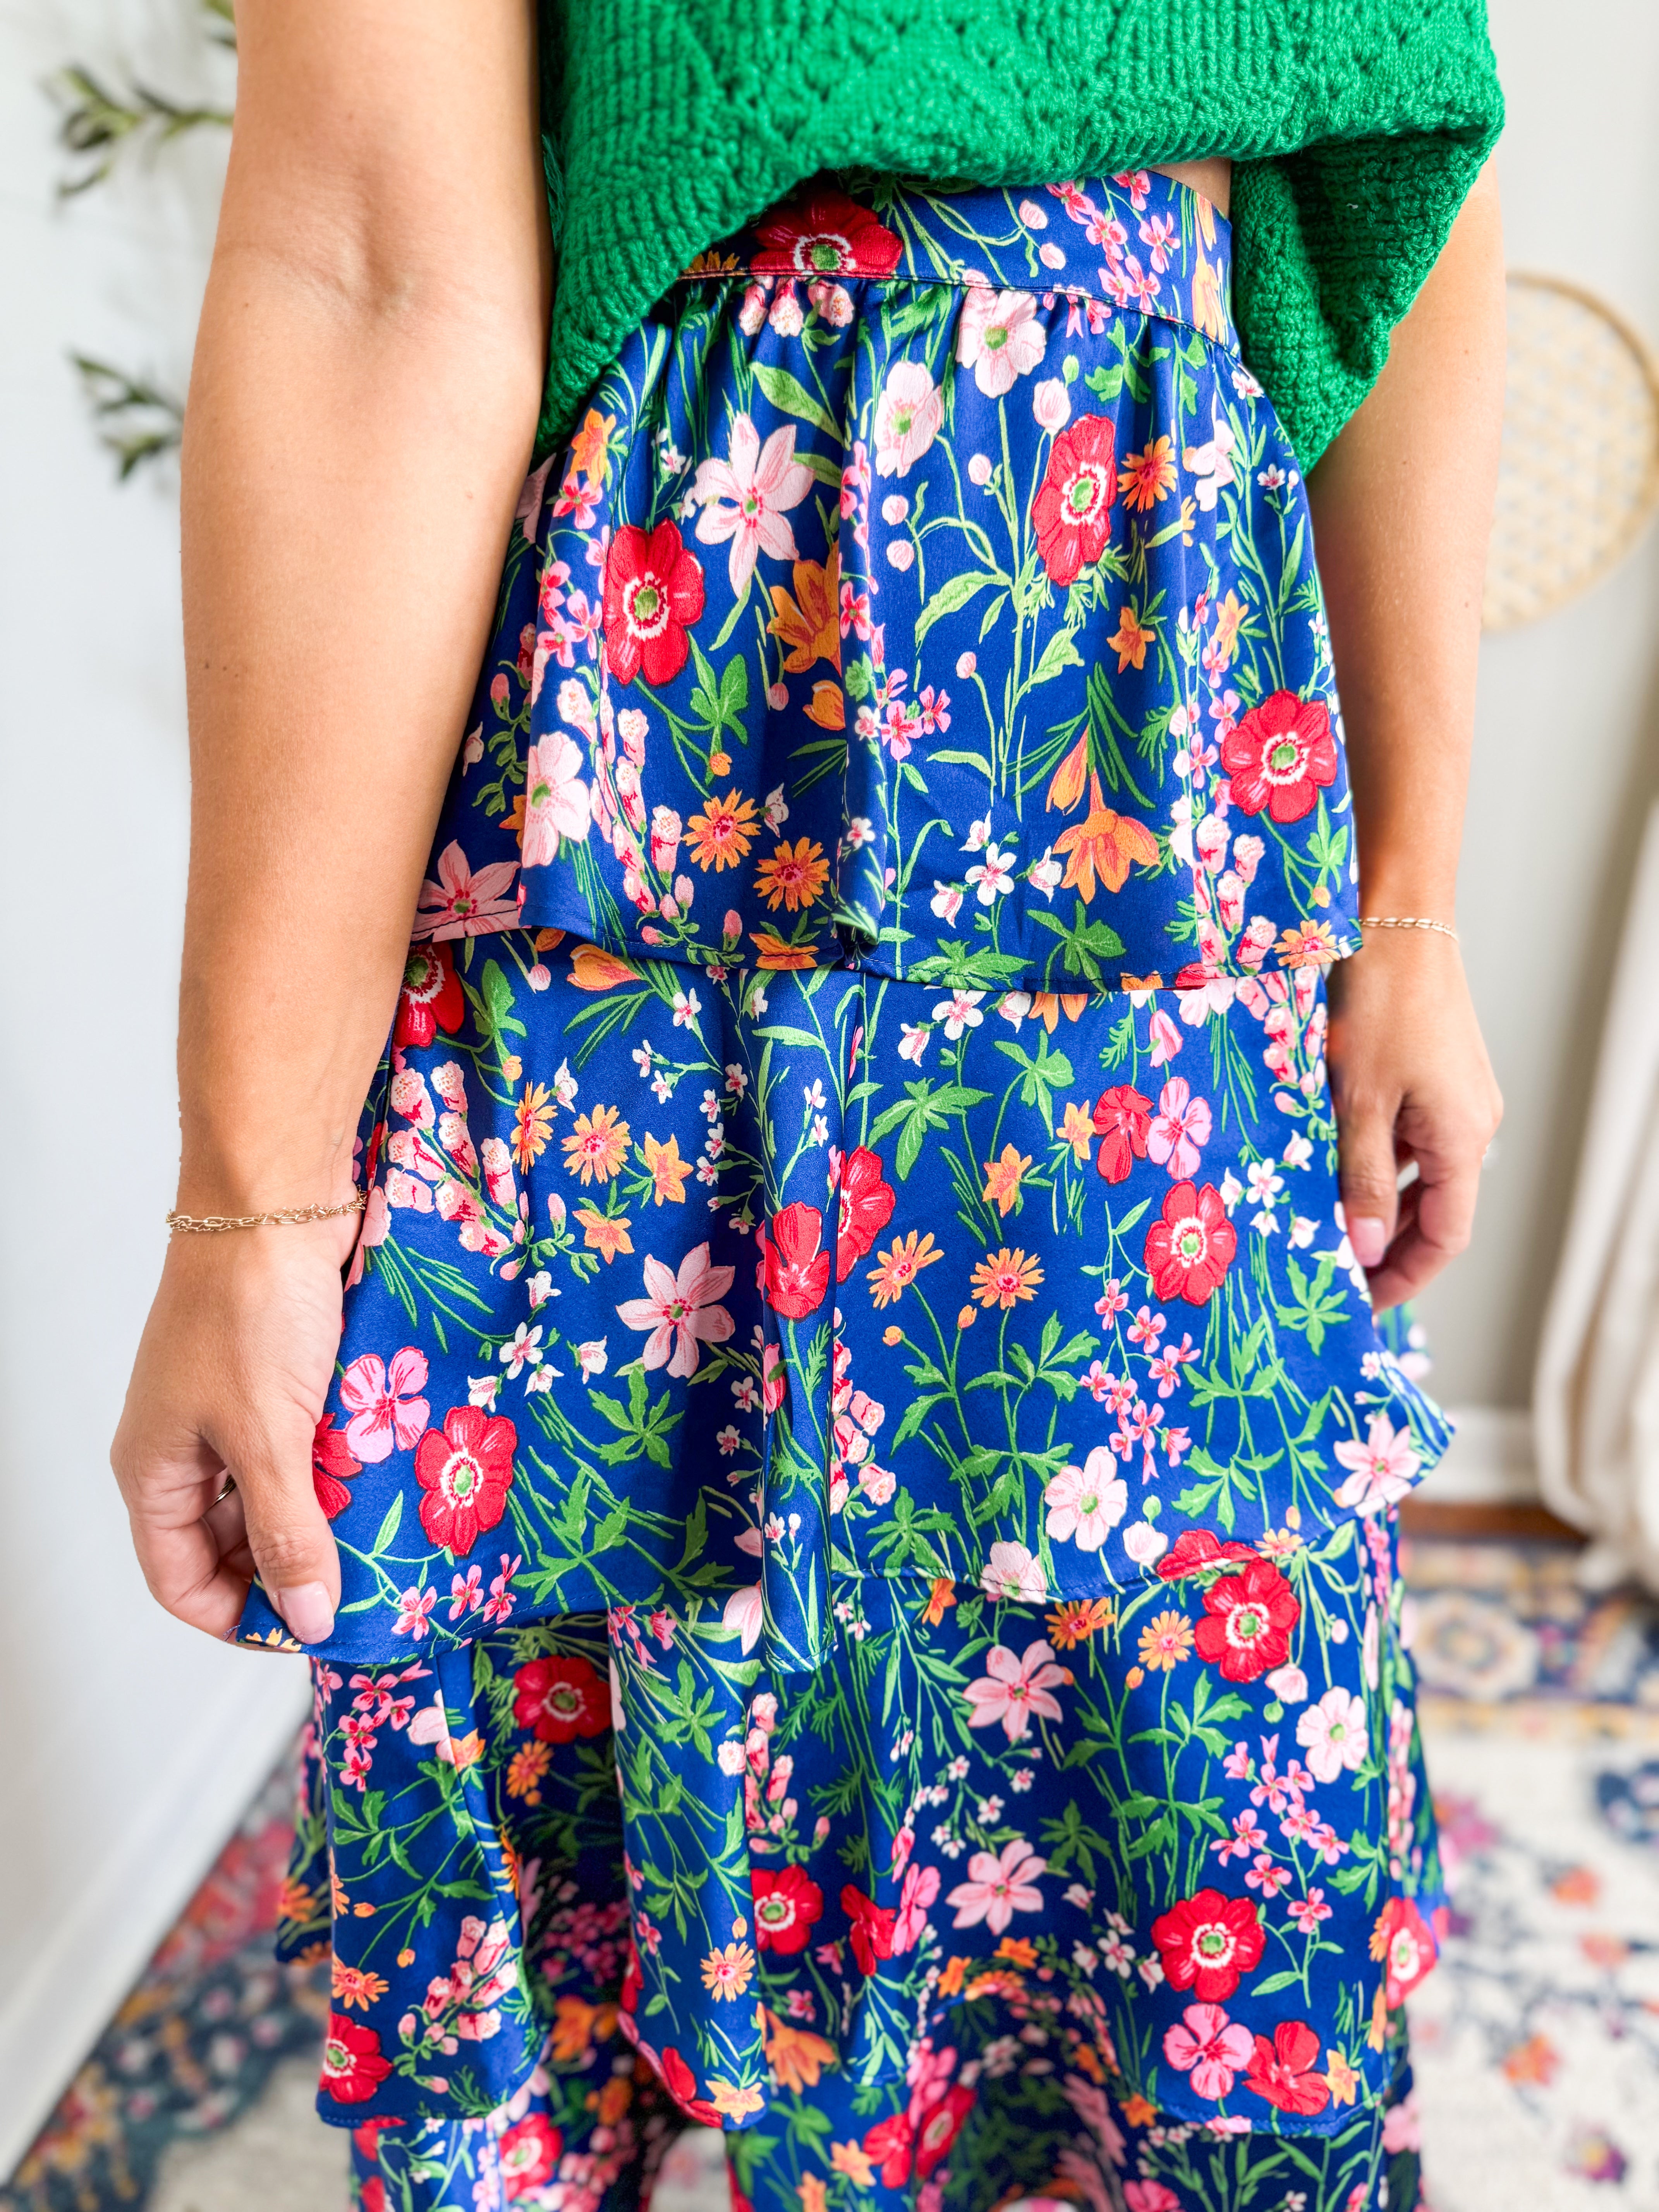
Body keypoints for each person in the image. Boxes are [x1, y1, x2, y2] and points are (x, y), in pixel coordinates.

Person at [112, 3, 1507, 2206]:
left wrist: (1412, 910)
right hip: (663, 723)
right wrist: (250, 1197)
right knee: (584, 1645)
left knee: (1188, 1719)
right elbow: (375, 265)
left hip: (1147, 760)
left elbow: (1403, 162)